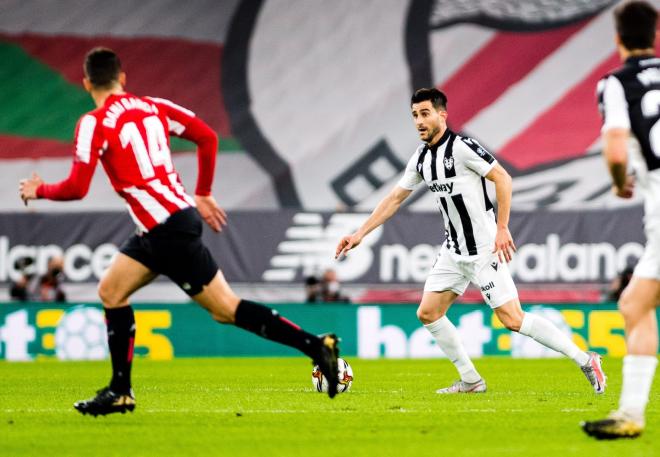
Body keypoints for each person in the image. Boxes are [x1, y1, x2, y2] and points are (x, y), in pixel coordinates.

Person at [19, 47, 340, 416]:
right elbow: (207, 137)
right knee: (112, 290)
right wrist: (202, 192)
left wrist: (38, 189)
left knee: (224, 309)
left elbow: (77, 187)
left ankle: (315, 346)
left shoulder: (94, 122)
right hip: (171, 221)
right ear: (123, 78)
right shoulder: (153, 106)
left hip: (164, 229)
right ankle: (120, 390)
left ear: (86, 82)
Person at [335, 88, 605, 395]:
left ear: (442, 115)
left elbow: (503, 178)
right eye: (414, 116)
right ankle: (471, 380)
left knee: (512, 319)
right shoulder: (422, 158)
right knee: (428, 313)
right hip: (453, 251)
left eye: (425, 114)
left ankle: (585, 359)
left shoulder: (462, 148)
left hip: (484, 250)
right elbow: (395, 198)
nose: (419, 122)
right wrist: (359, 234)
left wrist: (502, 228)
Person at [582, 1, 660, 439]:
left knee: (635, 305)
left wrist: (617, 182)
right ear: (654, 35)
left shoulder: (616, 83)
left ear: (617, 39)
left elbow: (615, 148)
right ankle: (631, 414)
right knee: (634, 304)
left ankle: (632, 414)